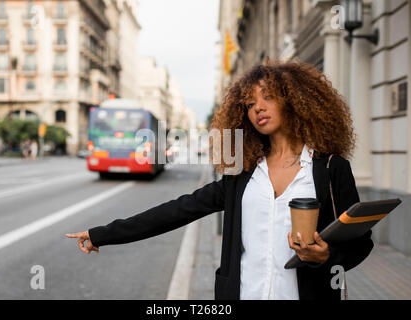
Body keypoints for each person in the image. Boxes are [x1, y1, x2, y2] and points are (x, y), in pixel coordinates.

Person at [66, 59, 373, 300]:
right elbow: (178, 210)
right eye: (250, 104)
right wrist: (102, 234)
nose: (258, 108)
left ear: (294, 100)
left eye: (267, 97)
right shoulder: (243, 174)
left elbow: (359, 244)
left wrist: (326, 255)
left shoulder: (330, 168)